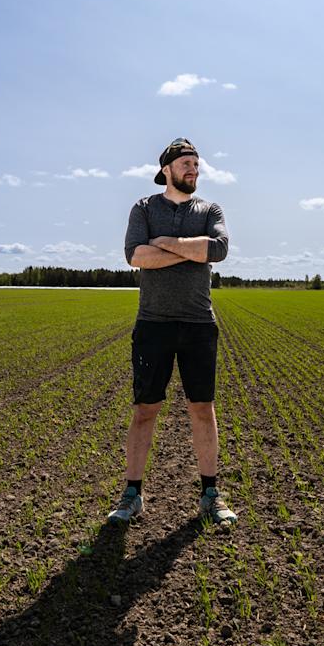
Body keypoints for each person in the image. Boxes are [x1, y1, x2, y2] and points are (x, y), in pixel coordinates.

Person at [108, 137, 237, 527]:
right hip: (153, 324)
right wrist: (186, 249)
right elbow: (135, 255)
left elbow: (218, 250)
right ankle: (132, 495)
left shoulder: (210, 209)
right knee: (145, 410)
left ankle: (210, 495)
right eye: (186, 163)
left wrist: (164, 243)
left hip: (199, 324)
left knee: (202, 409)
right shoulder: (144, 208)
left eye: (197, 164)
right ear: (166, 169)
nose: (193, 169)